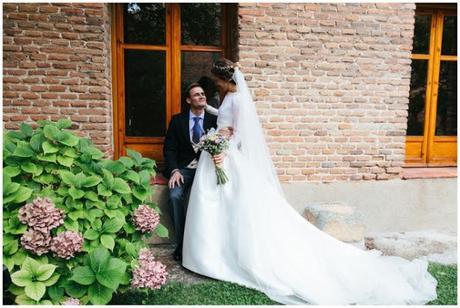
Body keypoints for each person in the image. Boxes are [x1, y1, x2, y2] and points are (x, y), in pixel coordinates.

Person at [181, 59, 438, 304]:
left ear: (223, 80)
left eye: (216, 80)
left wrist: (223, 146)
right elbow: (226, 122)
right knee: (224, 204)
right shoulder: (229, 98)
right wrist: (217, 134)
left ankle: (223, 257)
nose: (213, 85)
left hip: (228, 155)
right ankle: (216, 253)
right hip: (222, 153)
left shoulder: (236, 100)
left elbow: (240, 132)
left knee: (234, 205)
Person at [163, 83, 217, 261]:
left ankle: (208, 246)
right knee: (174, 196)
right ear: (188, 100)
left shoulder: (214, 120)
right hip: (184, 170)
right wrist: (175, 170)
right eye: (196, 95)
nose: (201, 96)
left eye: (203, 93)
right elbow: (169, 149)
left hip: (207, 171)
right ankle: (182, 245)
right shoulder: (177, 120)